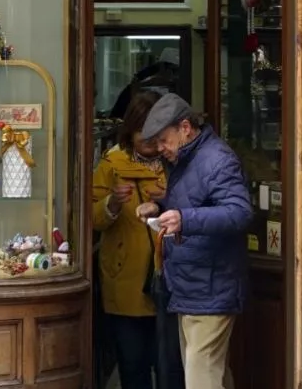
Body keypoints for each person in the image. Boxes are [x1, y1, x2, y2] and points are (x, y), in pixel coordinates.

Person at [134, 94, 253, 389]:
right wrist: (161, 211)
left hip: (210, 287)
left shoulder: (216, 159)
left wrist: (185, 219)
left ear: (185, 127)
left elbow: (239, 212)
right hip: (194, 286)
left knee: (202, 377)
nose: (160, 149)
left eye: (164, 140)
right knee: (210, 375)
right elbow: (196, 204)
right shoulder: (189, 159)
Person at [91, 92, 168, 389]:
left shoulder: (175, 160)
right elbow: (93, 219)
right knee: (132, 366)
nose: (150, 141)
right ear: (129, 131)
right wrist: (111, 204)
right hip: (124, 279)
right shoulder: (112, 164)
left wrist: (170, 200)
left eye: (155, 134)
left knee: (169, 367)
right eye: (142, 133)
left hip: (168, 279)